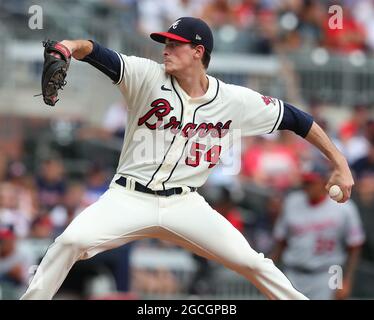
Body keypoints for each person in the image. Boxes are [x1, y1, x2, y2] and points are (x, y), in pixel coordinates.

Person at [21, 17, 354, 300]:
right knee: (70, 241)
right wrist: (67, 46)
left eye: (175, 44)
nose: (165, 49)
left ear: (198, 52)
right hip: (128, 197)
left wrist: (338, 162)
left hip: (185, 205)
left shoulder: (233, 100)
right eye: (165, 42)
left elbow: (297, 119)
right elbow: (93, 50)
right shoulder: (145, 75)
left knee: (253, 263)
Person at [271, 164, 364, 300]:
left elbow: (355, 246)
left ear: (324, 182)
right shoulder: (292, 202)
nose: (307, 186)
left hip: (331, 272)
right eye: (305, 182)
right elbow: (281, 240)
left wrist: (347, 280)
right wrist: (271, 268)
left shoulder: (344, 207)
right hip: (294, 271)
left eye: (311, 182)